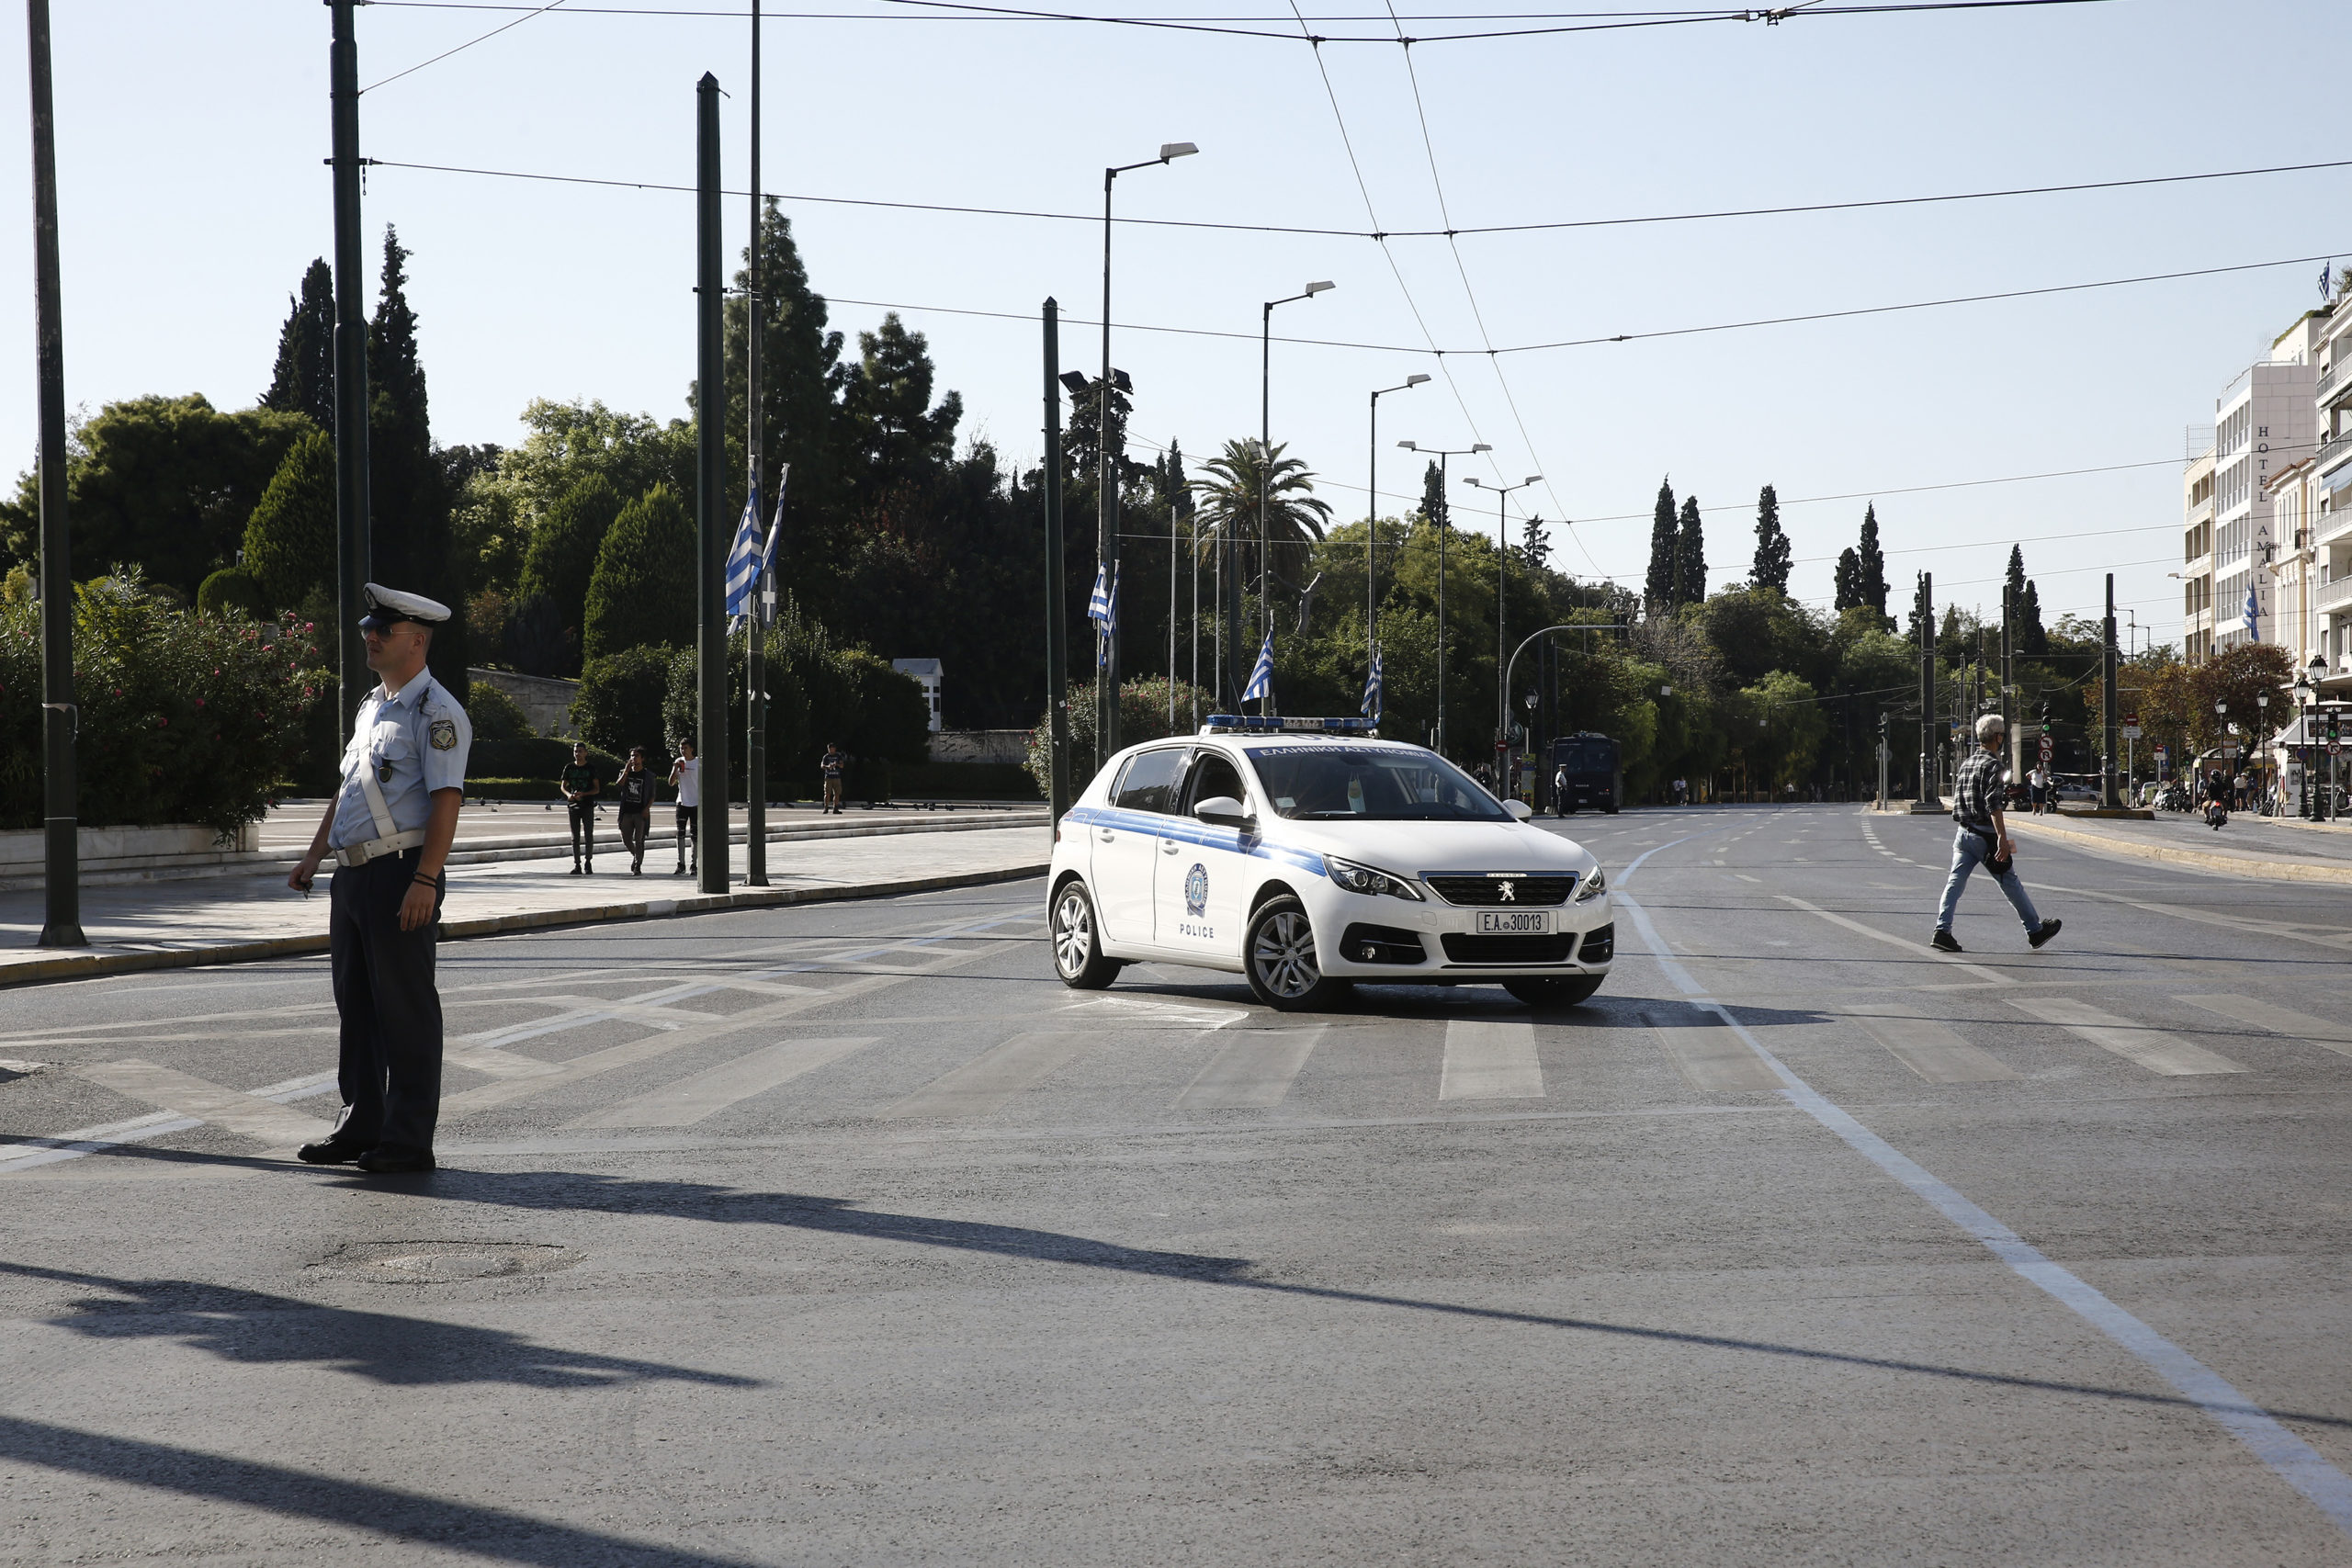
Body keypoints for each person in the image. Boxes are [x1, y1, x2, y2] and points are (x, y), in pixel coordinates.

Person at [287, 583, 470, 1176]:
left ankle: (409, 1138)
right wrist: (315, 856)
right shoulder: (372, 706)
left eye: (382, 632)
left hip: (401, 873)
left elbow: (447, 801)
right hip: (353, 875)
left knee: (406, 1009)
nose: (369, 637)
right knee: (358, 1006)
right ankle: (360, 1122)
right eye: (369, 628)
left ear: (416, 641)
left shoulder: (436, 712)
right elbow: (349, 790)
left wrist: (426, 878)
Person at [1931, 713, 2061, 954]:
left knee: (1954, 883)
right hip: (1985, 836)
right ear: (1998, 737)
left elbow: (1958, 801)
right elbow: (1994, 804)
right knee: (2010, 882)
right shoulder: (1994, 765)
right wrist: (2001, 836)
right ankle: (2034, 930)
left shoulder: (1967, 763)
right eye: (2002, 735)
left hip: (1963, 834)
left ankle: (1942, 930)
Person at [560, 741, 600, 874]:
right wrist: (569, 795)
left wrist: (584, 794)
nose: (578, 754)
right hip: (573, 806)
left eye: (580, 751)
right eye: (576, 751)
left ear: (586, 753)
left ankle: (588, 861)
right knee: (575, 836)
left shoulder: (590, 768)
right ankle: (577, 864)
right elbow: (563, 785)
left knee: (588, 834)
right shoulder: (569, 768)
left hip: (587, 805)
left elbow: (596, 789)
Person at [615, 746, 654, 874]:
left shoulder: (648, 776)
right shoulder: (625, 772)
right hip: (626, 811)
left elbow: (652, 795)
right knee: (626, 839)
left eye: (636, 756)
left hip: (640, 812)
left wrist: (647, 809)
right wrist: (626, 771)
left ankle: (638, 865)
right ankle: (637, 856)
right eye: (632, 756)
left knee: (639, 840)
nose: (633, 758)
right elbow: (619, 784)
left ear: (642, 758)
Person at [669, 738, 700, 876]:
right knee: (680, 833)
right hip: (682, 802)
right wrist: (675, 768)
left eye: (685, 748)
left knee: (695, 835)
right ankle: (681, 863)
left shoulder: (698, 762)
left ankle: (695, 864)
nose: (683, 751)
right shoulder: (679, 761)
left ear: (692, 749)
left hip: (696, 803)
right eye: (681, 748)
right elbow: (670, 783)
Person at [821, 741, 846, 814]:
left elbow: (842, 766)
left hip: (836, 777)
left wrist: (836, 764)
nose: (830, 750)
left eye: (832, 748)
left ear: (834, 749)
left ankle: (836, 808)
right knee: (827, 793)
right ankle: (826, 807)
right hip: (828, 777)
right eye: (829, 749)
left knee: (837, 793)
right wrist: (828, 766)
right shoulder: (826, 756)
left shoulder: (838, 756)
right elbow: (822, 766)